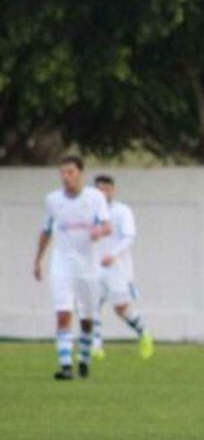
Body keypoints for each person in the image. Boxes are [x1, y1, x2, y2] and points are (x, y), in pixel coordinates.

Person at [33, 155, 112, 380]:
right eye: (63, 173)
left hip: (88, 267)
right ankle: (66, 365)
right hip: (62, 265)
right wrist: (37, 260)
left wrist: (99, 231)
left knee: (86, 318)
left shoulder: (95, 198)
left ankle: (84, 358)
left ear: (81, 174)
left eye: (71, 172)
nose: (66, 177)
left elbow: (106, 225)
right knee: (63, 313)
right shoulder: (53, 200)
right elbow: (46, 231)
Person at [89, 175, 154, 361]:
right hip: (94, 267)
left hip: (117, 268)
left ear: (113, 190)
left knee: (121, 309)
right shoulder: (89, 213)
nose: (103, 193)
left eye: (106, 189)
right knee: (91, 305)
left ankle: (144, 333)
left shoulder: (122, 211)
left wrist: (113, 254)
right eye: (99, 189)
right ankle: (96, 347)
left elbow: (129, 237)